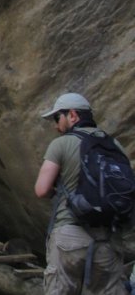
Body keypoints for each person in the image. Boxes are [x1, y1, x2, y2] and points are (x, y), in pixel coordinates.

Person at [34, 93, 128, 295]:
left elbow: (41, 189)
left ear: (73, 115)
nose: (55, 125)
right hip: (108, 240)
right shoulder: (115, 146)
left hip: (70, 234)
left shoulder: (61, 144)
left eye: (57, 118)